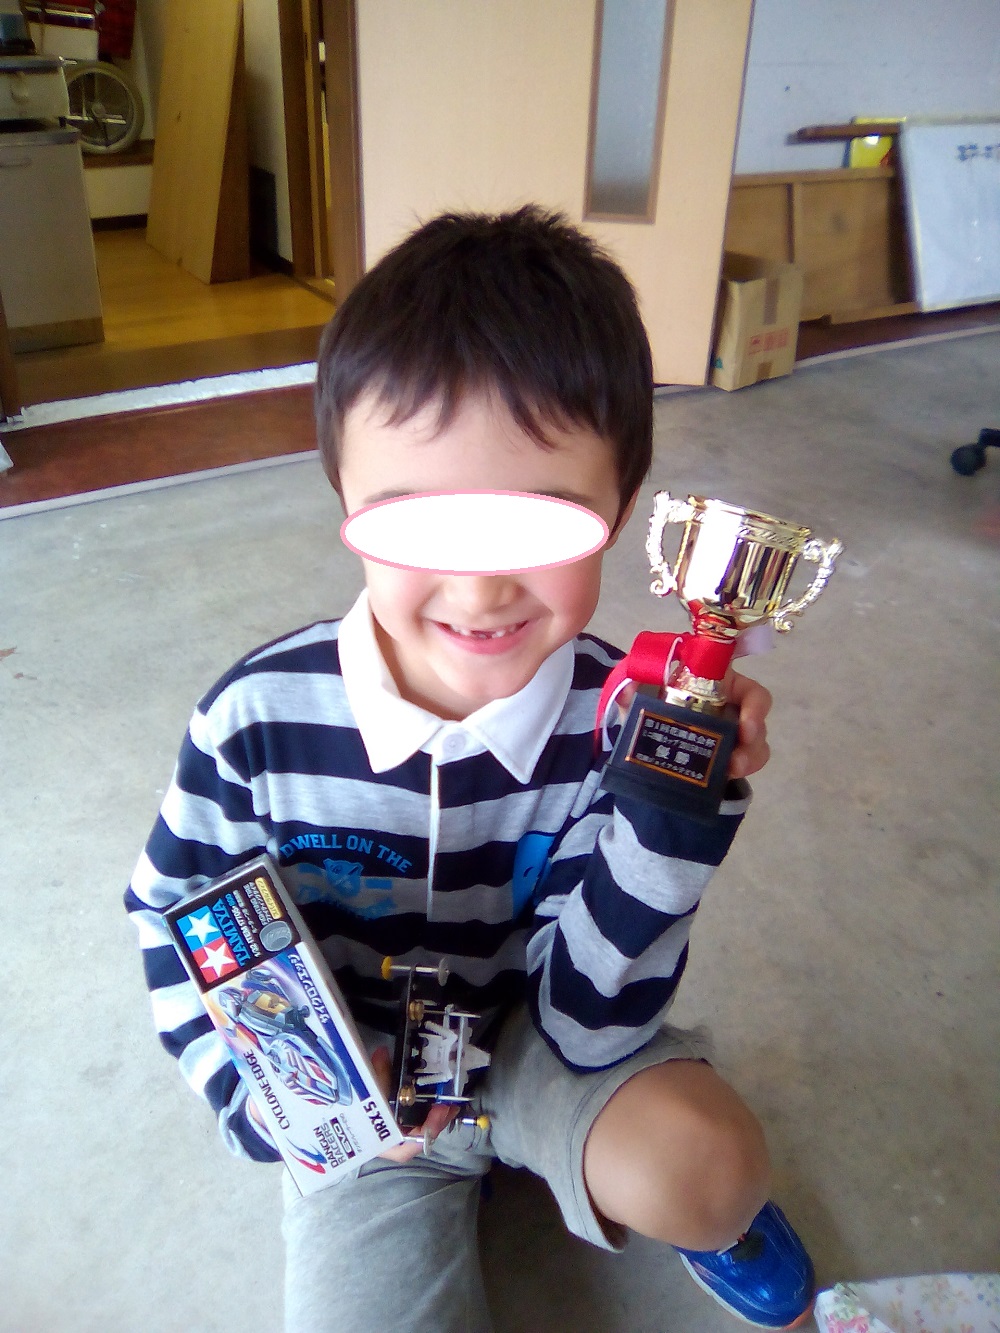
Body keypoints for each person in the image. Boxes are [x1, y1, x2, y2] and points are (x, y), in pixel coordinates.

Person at [125, 206, 815, 1332]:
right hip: (365, 1094)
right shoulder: (255, 720)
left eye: (540, 521)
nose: (482, 588)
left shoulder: (620, 718)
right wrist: (285, 1100)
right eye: (416, 522)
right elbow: (174, 919)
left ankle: (625, 1186)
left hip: (540, 1046)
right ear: (343, 498)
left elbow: (593, 1022)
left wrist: (672, 812)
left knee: (707, 1172)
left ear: (621, 510)